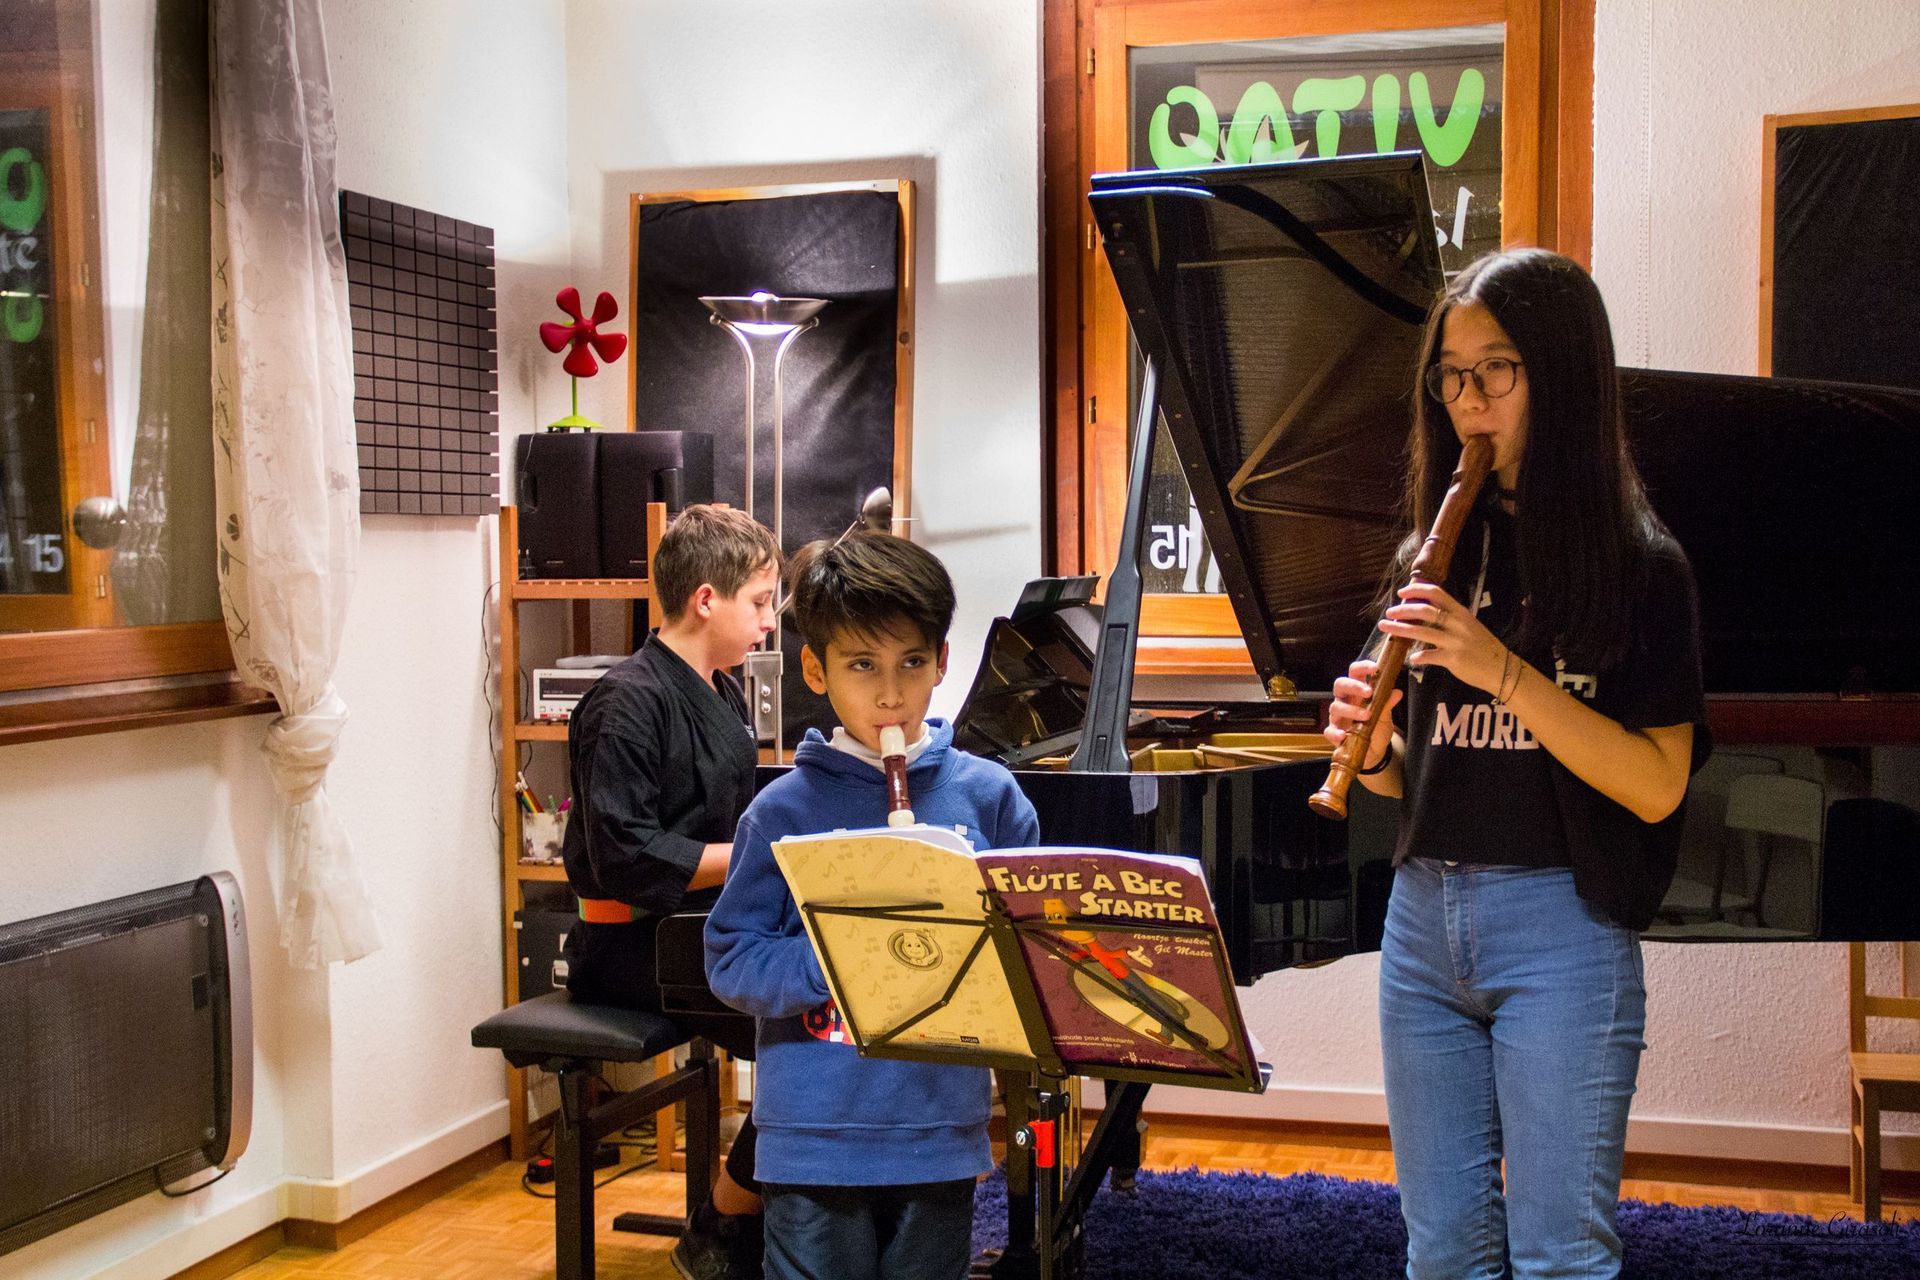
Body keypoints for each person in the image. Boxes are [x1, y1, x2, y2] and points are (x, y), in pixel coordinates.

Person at [1323, 248, 1710, 1280]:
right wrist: (1367, 752)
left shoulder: (1642, 567)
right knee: (1443, 1248)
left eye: (1496, 371)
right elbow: (1421, 774)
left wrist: (1502, 670)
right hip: (1423, 915)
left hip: (1563, 928)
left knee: (1558, 1252)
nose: (1468, 401)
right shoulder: (1435, 552)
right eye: (1451, 375)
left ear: (1562, 374)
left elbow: (1656, 780)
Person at [704, 532, 1041, 1280]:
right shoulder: (782, 811)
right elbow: (732, 958)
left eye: (912, 663)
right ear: (817, 671)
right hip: (814, 1139)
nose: (890, 693)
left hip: (939, 1130)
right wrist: (842, 954)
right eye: (862, 666)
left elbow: (1031, 958)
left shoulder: (989, 798)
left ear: (942, 663)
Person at [557, 503, 781, 1280]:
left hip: (693, 929)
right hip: (626, 946)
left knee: (835, 1018)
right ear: (706, 600)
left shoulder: (716, 691)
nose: (768, 623)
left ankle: (775, 1213)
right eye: (759, 603)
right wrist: (756, 858)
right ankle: (722, 1225)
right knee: (804, 1041)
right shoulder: (626, 702)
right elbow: (624, 853)